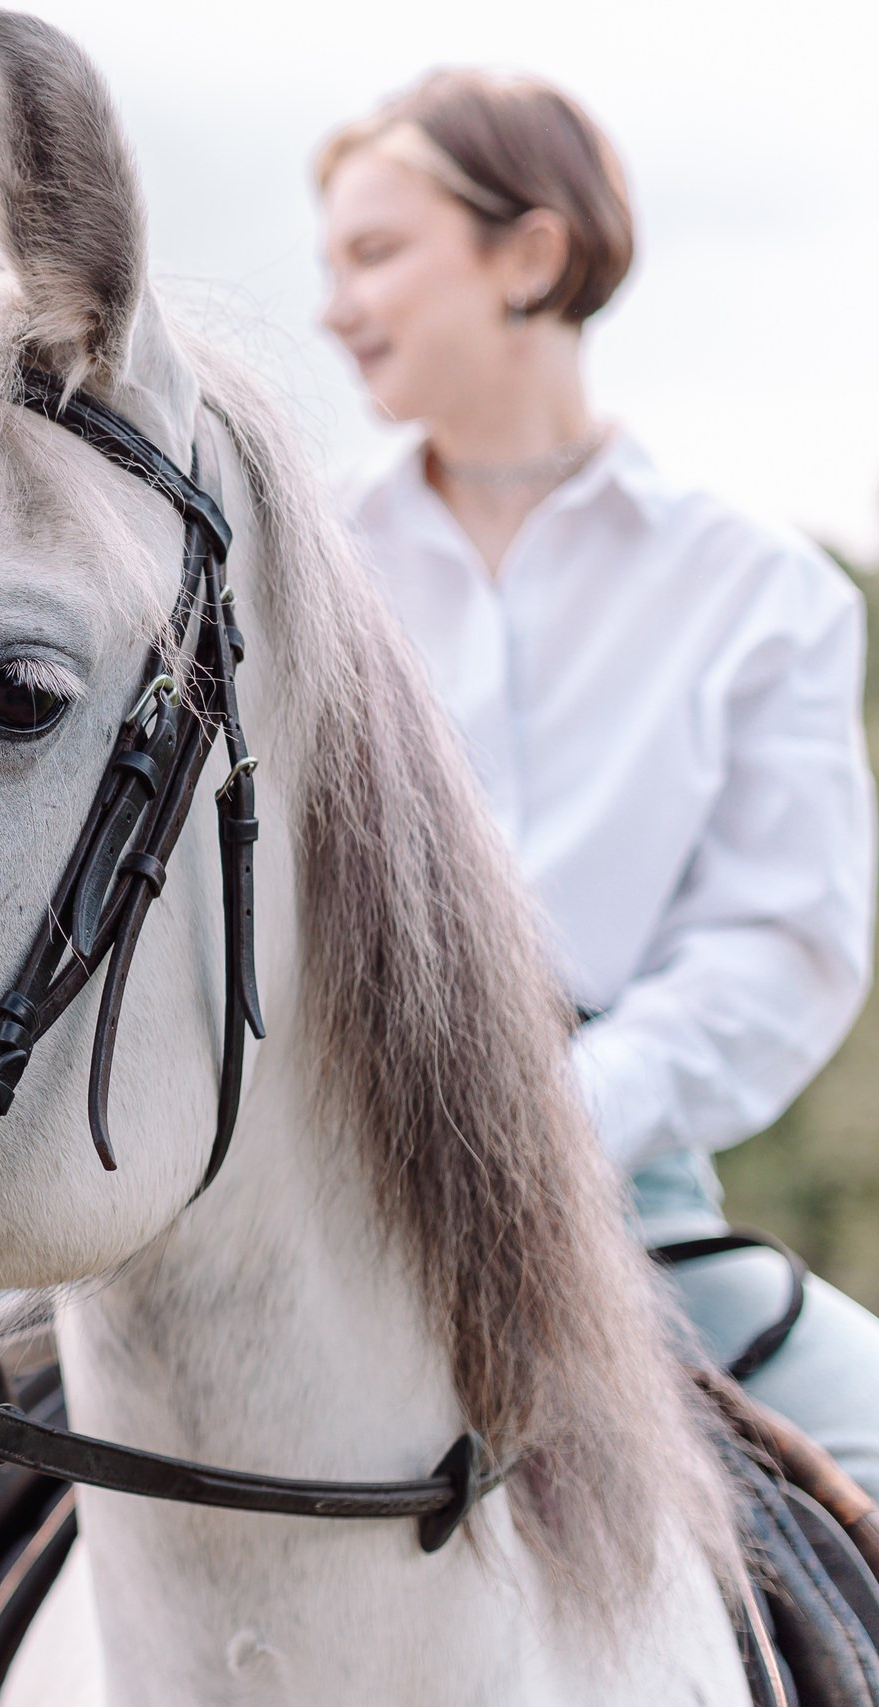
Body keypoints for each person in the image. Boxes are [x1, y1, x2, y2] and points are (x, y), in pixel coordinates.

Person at [316, 71, 879, 1495]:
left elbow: (781, 945)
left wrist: (558, 1109)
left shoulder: (768, 596)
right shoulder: (294, 564)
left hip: (633, 1215)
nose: (335, 306)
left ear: (533, 257)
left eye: (376, 253)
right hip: (283, 1179)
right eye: (331, 265)